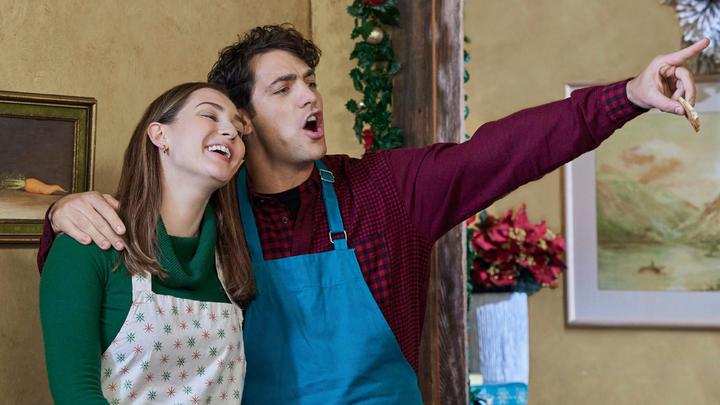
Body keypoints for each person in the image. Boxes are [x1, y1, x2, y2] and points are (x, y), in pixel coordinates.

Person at [39, 25, 709, 404]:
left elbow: (506, 152)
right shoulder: (220, 215)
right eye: (284, 88)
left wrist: (627, 96)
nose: (311, 97)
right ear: (242, 120)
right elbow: (123, 264)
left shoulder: (387, 191)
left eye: (310, 82)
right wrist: (61, 213)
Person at [39, 82, 254, 404]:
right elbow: (76, 395)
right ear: (160, 135)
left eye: (238, 129)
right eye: (210, 115)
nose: (231, 132)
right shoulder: (85, 247)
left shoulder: (233, 259)